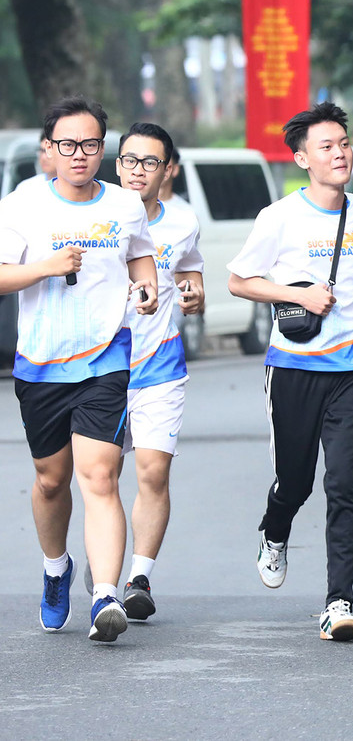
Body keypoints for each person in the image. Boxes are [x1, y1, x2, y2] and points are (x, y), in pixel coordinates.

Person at [228, 102, 353, 641]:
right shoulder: (279, 217)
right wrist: (297, 294)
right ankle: (276, 529)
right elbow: (240, 280)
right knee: (295, 481)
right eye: (326, 146)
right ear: (302, 157)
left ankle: (339, 601)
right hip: (292, 367)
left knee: (344, 485)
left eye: (344, 143)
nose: (340, 153)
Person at [0, 96, 158, 642]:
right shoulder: (23, 205)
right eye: (68, 145)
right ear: (49, 150)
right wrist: (46, 266)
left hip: (104, 358)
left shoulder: (124, 205)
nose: (80, 155)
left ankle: (105, 595)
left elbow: (140, 255)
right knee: (51, 481)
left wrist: (148, 288)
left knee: (100, 475)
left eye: (91, 145)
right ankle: (55, 569)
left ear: (102, 149)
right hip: (41, 364)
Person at [113, 122, 205, 620]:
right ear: (118, 163)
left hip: (160, 364)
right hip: (99, 368)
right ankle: (105, 557)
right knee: (102, 476)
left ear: (166, 169)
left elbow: (190, 267)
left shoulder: (183, 221)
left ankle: (138, 577)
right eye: (129, 160)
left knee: (153, 470)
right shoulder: (98, 216)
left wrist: (193, 290)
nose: (137, 171)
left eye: (150, 162)